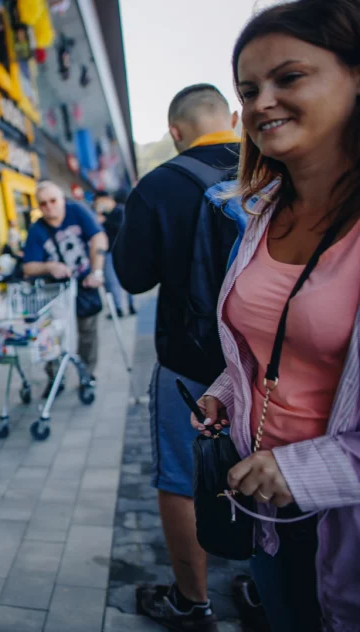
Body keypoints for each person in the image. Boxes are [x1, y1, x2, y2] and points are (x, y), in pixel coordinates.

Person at [189, 2, 360, 630]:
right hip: (266, 514)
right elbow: (262, 350)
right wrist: (225, 393)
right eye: (249, 89)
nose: (262, 103)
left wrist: (302, 470)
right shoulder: (256, 214)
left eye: (289, 78)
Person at [112, 84, 246, 630]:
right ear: (235, 117)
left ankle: (193, 601)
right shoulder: (277, 163)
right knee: (275, 463)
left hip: (192, 363)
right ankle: (266, 591)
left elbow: (132, 276)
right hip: (270, 361)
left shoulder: (160, 185)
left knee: (181, 478)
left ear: (174, 132)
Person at [23, 181, 108, 382]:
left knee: (88, 333)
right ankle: (56, 377)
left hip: (84, 283)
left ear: (62, 199)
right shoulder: (37, 230)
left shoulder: (76, 211)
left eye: (53, 200)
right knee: (54, 335)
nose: (49, 206)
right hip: (56, 292)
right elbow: (28, 267)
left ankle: (87, 375)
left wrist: (96, 272)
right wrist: (49, 266)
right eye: (43, 204)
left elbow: (99, 237)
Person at [92, 190, 135, 318]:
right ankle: (118, 309)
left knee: (128, 279)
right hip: (108, 252)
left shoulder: (120, 210)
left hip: (124, 250)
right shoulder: (101, 214)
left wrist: (104, 221)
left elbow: (122, 227)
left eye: (99, 201)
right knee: (111, 281)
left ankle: (131, 306)